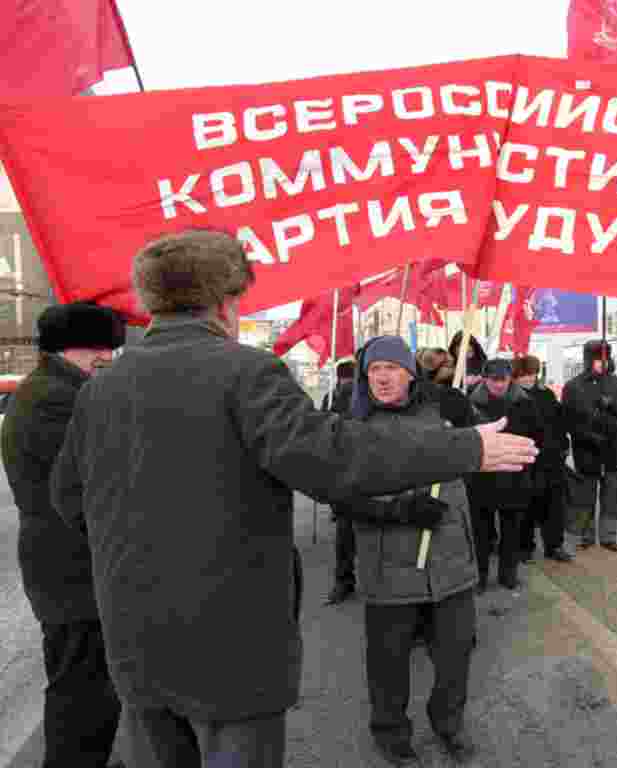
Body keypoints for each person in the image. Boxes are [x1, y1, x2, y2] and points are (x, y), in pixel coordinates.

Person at [49, 229, 537, 768]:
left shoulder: (101, 388)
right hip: (229, 642)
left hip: (134, 636)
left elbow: (69, 499)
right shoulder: (244, 371)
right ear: (226, 300)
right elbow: (334, 458)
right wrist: (467, 448)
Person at [1, 302, 126, 768]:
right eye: (96, 348)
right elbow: (90, 482)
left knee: (86, 685)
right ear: (65, 348)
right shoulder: (59, 397)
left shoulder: (56, 388)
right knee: (83, 691)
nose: (106, 357)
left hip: (65, 565)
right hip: (70, 569)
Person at [348, 335, 481, 766]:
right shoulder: (352, 428)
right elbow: (343, 497)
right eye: (374, 370)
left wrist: (465, 428)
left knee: (456, 654)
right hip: (389, 566)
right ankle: (390, 733)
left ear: (410, 372)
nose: (383, 377)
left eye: (391, 368)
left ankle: (449, 724)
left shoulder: (443, 410)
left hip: (450, 559)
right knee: (388, 661)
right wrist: (401, 509)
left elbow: (476, 453)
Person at [469, 358, 544, 590]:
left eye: (503, 380)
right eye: (494, 380)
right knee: (480, 531)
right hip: (482, 475)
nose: (499, 385)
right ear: (485, 379)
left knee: (512, 528)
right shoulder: (471, 401)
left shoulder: (524, 401)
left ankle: (508, 573)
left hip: (514, 473)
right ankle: (479, 576)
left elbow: (537, 434)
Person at [562, 340, 617, 552]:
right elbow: (567, 420)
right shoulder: (573, 386)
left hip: (613, 448)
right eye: (597, 359)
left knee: (611, 495)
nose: (602, 363)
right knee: (586, 495)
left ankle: (608, 535)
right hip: (587, 449)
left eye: (605, 358)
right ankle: (586, 533)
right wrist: (586, 435)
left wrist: (611, 404)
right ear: (588, 360)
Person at [513, 355, 574, 563]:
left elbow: (559, 422)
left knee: (554, 505)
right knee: (527, 505)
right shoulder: (514, 397)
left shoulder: (546, 394)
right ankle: (524, 547)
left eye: (533, 374)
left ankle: (554, 545)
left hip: (552, 457)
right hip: (527, 458)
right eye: (525, 374)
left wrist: (564, 443)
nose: (530, 378)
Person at [322, 360, 358, 605]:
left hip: (371, 470)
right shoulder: (338, 395)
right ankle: (343, 580)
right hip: (347, 472)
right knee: (346, 531)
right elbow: (325, 426)